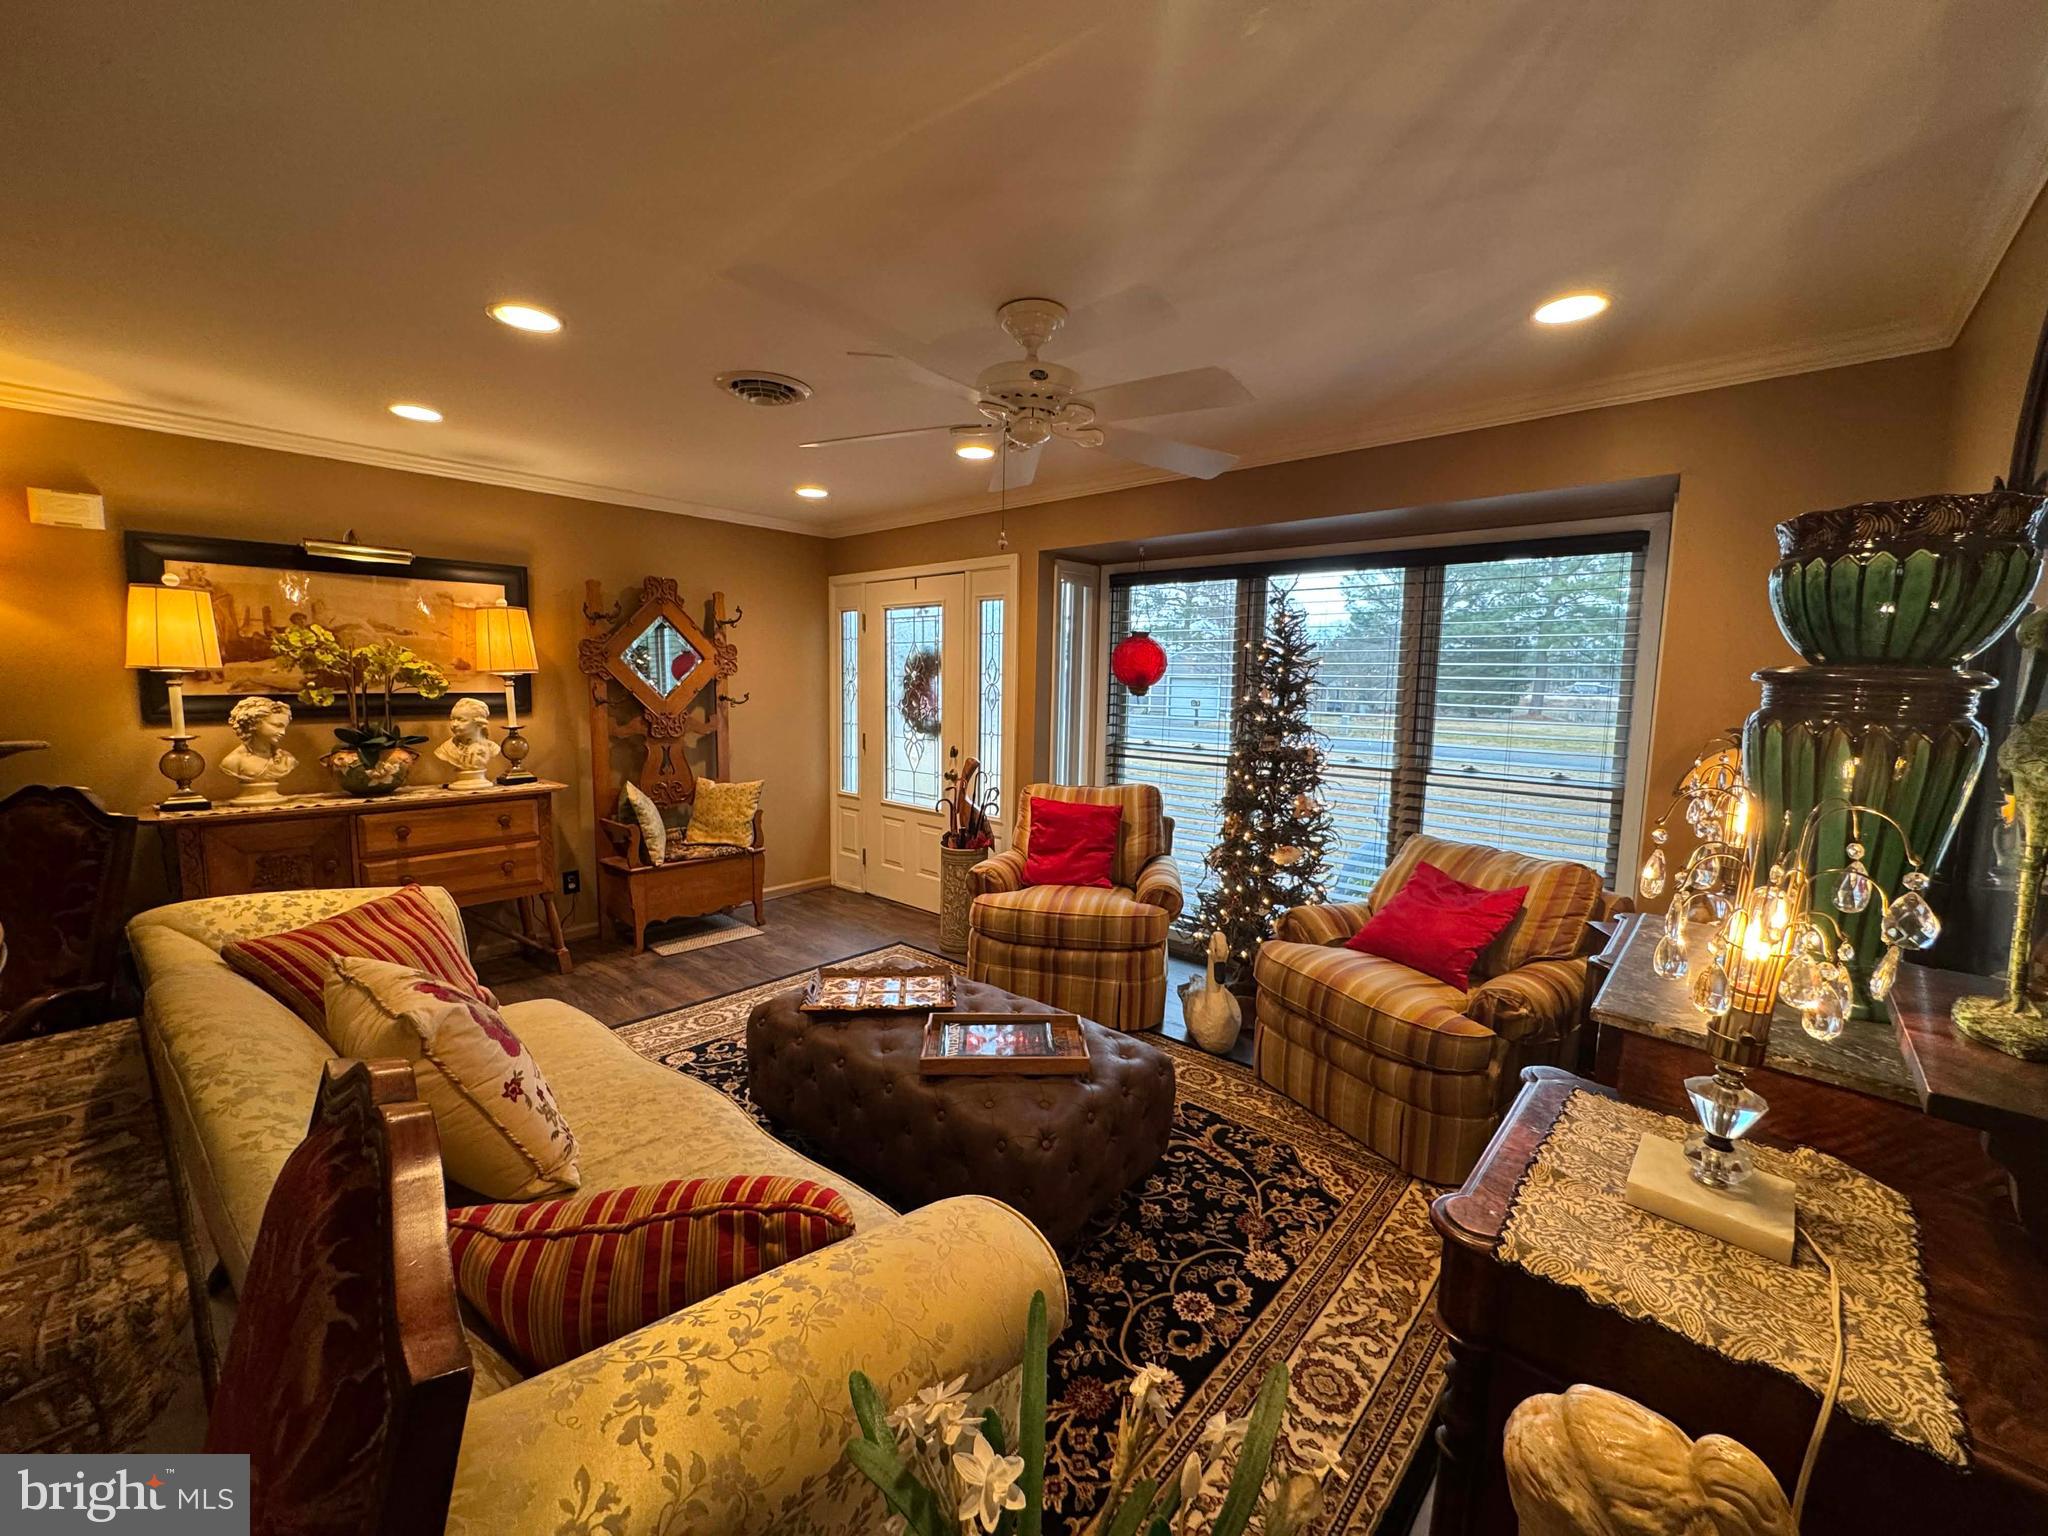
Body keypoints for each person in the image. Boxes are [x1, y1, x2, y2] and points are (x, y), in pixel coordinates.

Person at [221, 696, 296, 801]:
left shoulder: (287, 759)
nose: (283, 732)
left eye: (284, 727)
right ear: (254, 723)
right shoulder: (233, 762)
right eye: (277, 725)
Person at [435, 696, 500, 789]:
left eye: (461, 720)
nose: (454, 724)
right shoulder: (445, 749)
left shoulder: (492, 748)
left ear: (478, 722)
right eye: (452, 719)